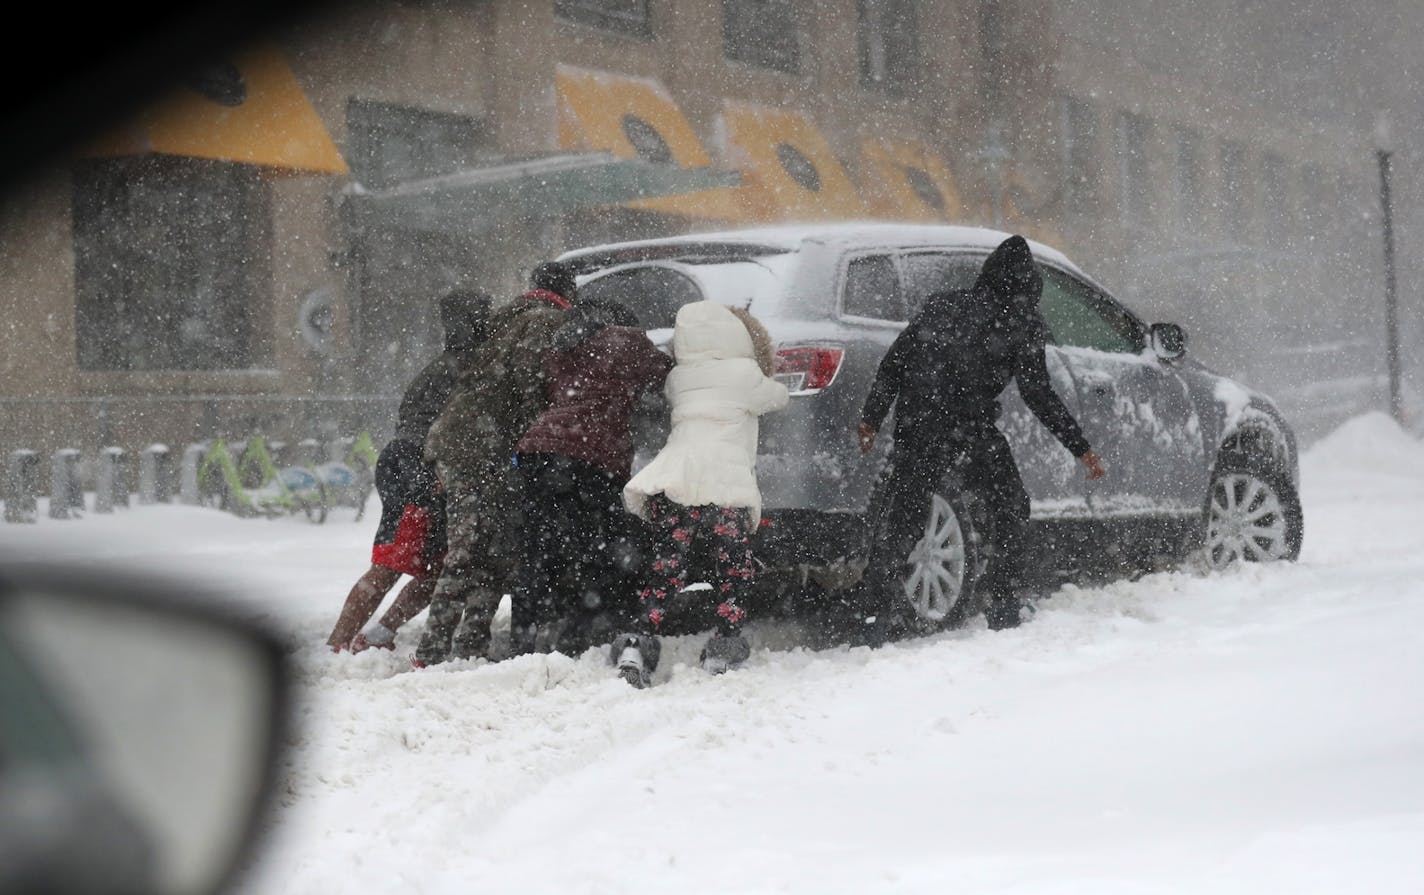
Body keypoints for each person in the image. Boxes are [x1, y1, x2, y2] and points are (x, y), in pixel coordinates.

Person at [855, 234, 1106, 642]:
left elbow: (894, 365)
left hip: (919, 422)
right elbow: (1038, 395)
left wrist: (871, 417)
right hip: (969, 428)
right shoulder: (1019, 324)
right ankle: (1004, 601)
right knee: (1009, 504)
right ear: (1029, 288)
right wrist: (1082, 449)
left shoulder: (941, 308)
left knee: (907, 515)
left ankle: (874, 616)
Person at [614, 300, 789, 687]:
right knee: (732, 571)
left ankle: (636, 642)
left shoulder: (679, 378)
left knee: (665, 569)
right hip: (723, 492)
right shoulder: (745, 374)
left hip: (676, 485)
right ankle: (724, 646)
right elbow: (777, 398)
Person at [413, 261, 575, 667]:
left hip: (473, 442)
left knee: (495, 549)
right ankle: (433, 651)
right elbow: (527, 379)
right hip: (477, 448)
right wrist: (547, 422)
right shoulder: (545, 321)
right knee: (468, 550)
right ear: (566, 293)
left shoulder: (506, 315)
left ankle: (470, 644)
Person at [326, 288, 492, 653]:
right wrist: (429, 475)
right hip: (421, 468)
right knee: (395, 564)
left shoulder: (437, 369)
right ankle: (338, 643)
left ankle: (378, 632)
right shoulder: (468, 369)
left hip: (407, 463)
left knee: (441, 565)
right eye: (485, 315)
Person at [510, 297, 673, 656]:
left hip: (538, 452)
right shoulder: (626, 341)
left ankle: (522, 638)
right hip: (592, 457)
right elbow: (666, 373)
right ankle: (579, 633)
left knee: (538, 548)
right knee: (595, 547)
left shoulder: (560, 349)